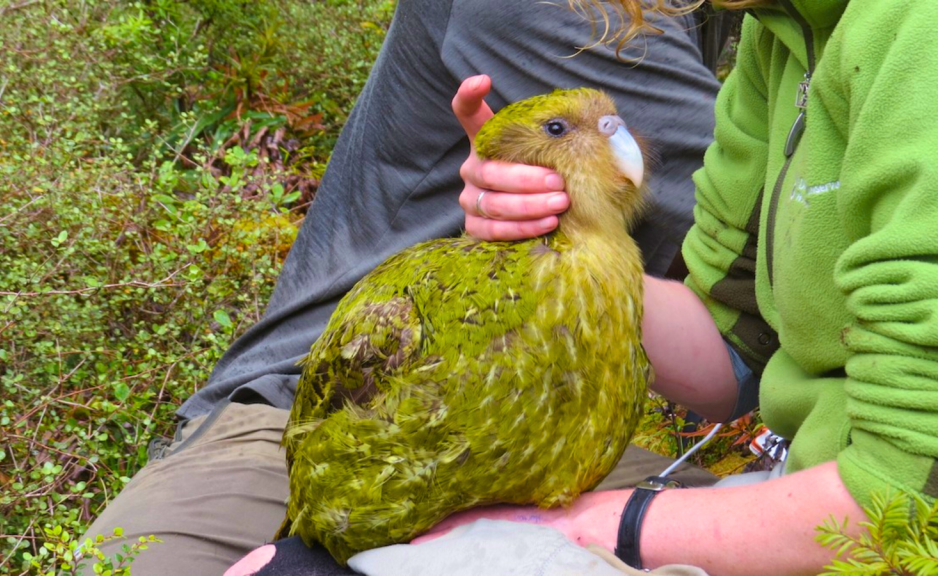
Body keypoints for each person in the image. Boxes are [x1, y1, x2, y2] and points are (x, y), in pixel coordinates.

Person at [227, 0, 938, 574]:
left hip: (862, 529)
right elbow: (732, 351)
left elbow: (905, 497)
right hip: (799, 494)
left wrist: (587, 527)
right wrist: (568, 240)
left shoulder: (915, 36)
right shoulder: (777, 30)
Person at [82, 0, 725, 573]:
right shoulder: (563, 10)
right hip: (323, 412)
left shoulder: (756, 24)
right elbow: (760, 227)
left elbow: (744, 327)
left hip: (544, 429)